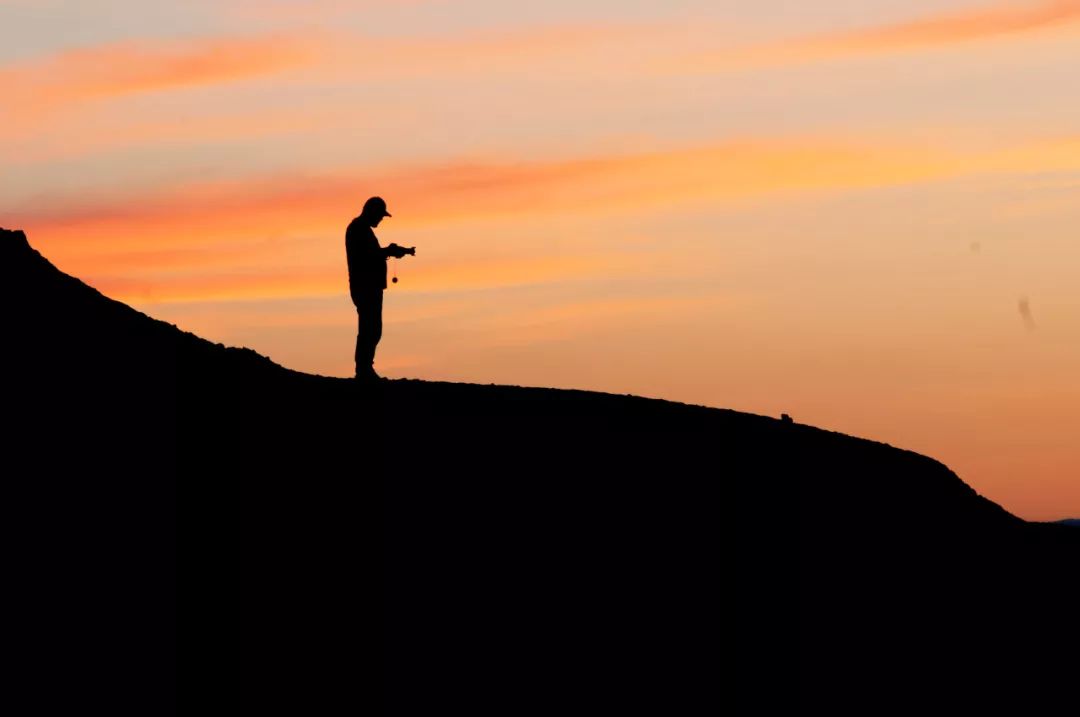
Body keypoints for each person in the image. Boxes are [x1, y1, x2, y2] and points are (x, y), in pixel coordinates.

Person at [345, 196, 414, 381]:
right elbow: (367, 256)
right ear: (372, 212)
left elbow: (372, 254)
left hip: (369, 286)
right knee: (370, 328)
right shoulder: (359, 230)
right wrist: (389, 251)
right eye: (380, 216)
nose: (380, 220)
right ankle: (364, 370)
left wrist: (389, 251)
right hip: (365, 287)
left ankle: (365, 368)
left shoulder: (360, 229)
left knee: (372, 328)